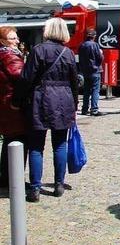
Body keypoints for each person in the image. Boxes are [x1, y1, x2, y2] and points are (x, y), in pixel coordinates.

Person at [17, 17, 78, 202]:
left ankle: (35, 189)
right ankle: (58, 185)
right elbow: (74, 82)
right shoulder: (68, 53)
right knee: (60, 144)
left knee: (36, 146)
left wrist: (18, 99)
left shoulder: (38, 50)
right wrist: (74, 104)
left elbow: (27, 78)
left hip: (41, 98)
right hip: (63, 99)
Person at [0, 26, 28, 189]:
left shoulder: (5, 54)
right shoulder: (9, 56)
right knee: (18, 141)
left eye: (16, 38)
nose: (17, 41)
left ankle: (6, 177)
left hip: (6, 104)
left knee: (9, 142)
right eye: (13, 38)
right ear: (3, 41)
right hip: (13, 106)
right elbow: (21, 77)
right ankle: (14, 180)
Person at [79, 28, 104, 116]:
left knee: (86, 91)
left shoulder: (82, 45)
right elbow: (99, 57)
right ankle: (94, 110)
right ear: (94, 36)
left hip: (85, 71)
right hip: (95, 71)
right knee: (95, 90)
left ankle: (84, 109)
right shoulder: (95, 45)